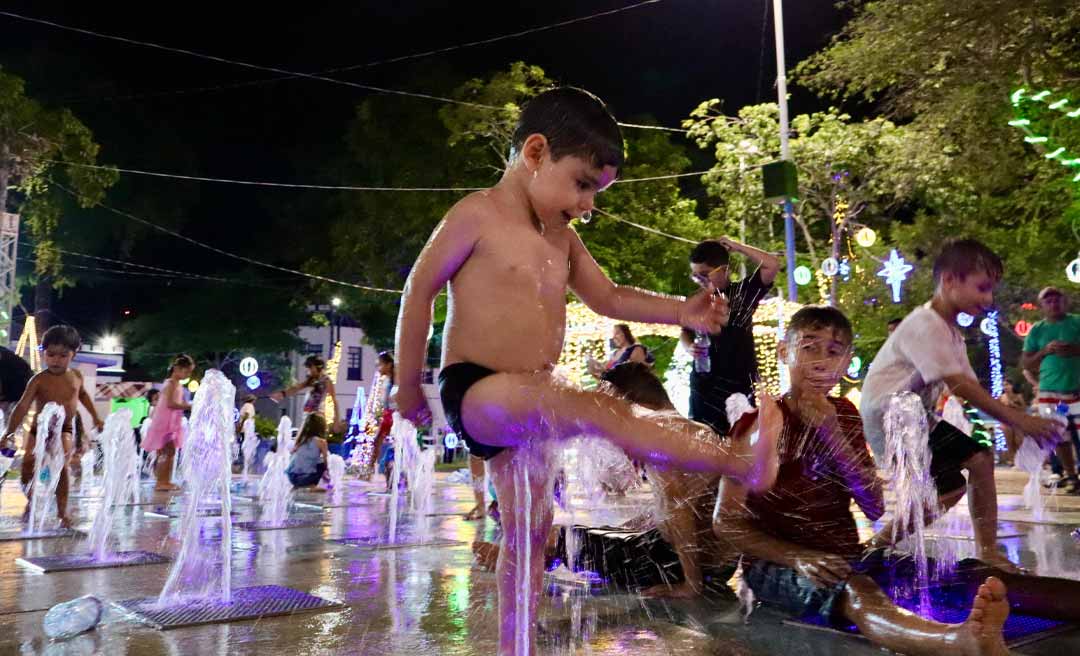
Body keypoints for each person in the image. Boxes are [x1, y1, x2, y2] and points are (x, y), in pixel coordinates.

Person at [393, 87, 780, 655]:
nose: (588, 205)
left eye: (596, 192)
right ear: (535, 152)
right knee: (598, 405)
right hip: (476, 388)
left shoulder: (563, 240)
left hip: (532, 399)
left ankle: (514, 646)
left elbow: (610, 297)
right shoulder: (477, 214)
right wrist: (408, 384)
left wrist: (682, 309)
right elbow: (418, 290)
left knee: (528, 535)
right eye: (582, 184)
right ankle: (737, 459)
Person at [717, 305, 1080, 656]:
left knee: (970, 576)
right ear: (784, 352)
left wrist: (833, 435)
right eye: (808, 347)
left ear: (845, 364)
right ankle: (958, 643)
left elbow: (873, 505)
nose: (819, 361)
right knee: (855, 591)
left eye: (833, 351)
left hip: (849, 556)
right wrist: (796, 556)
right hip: (777, 567)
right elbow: (726, 521)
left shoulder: (843, 415)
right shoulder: (758, 423)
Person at [860, 239, 1062, 570]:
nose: (988, 299)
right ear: (950, 280)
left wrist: (1019, 420)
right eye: (982, 288)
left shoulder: (949, 332)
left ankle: (988, 552)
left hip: (916, 418)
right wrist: (1021, 421)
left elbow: (970, 386)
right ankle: (873, 546)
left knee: (980, 461)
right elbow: (960, 386)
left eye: (991, 290)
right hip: (890, 419)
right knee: (948, 490)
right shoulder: (924, 324)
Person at [3, 325, 105, 527]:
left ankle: (62, 512)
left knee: (62, 468)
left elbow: (83, 395)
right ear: (44, 354)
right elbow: (23, 406)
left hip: (64, 429)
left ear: (73, 354)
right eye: (51, 355)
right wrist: (9, 432)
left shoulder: (76, 376)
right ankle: (31, 502)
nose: (56, 360)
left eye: (63, 355)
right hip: (37, 430)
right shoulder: (38, 380)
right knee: (28, 466)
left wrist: (95, 417)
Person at [683, 236, 780, 435]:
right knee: (702, 448)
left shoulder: (742, 293)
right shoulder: (696, 300)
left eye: (704, 274)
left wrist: (736, 246)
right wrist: (688, 346)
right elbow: (684, 332)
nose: (699, 281)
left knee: (739, 444)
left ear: (725, 269)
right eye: (695, 276)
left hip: (738, 387)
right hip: (702, 387)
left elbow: (772, 264)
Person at [1022, 286, 1080, 493]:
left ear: (1065, 302)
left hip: (1077, 390)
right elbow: (1026, 363)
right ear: (1042, 306)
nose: (1054, 304)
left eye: (1057, 299)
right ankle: (1072, 477)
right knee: (1059, 437)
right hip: (1050, 393)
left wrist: (1075, 349)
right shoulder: (1037, 330)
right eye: (1049, 301)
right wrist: (1045, 351)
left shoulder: (1077, 322)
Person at [143, 354, 195, 491]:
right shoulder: (170, 383)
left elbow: (181, 402)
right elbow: (171, 404)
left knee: (170, 452)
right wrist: (189, 407)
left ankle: (165, 481)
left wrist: (192, 404)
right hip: (164, 422)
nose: (188, 375)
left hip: (171, 422)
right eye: (186, 371)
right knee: (167, 452)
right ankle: (161, 482)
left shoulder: (176, 384)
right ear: (177, 368)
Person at [271, 355, 343, 453]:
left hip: (317, 417)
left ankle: (321, 462)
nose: (309, 371)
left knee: (304, 443)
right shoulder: (312, 380)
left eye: (311, 367)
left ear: (318, 367)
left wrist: (336, 421)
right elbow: (297, 388)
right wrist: (282, 394)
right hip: (308, 416)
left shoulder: (326, 381)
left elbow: (334, 400)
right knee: (299, 444)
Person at [586, 323, 652, 377]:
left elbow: (636, 370)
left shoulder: (636, 349)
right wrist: (596, 366)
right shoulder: (615, 353)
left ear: (625, 334)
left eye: (617, 333)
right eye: (613, 334)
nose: (614, 337)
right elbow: (607, 369)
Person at [286, 415, 329, 491]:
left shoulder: (300, 439)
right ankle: (312, 486)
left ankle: (297, 486)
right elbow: (327, 463)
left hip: (292, 477)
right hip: (306, 478)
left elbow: (292, 453)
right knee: (323, 462)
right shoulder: (321, 442)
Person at [997, 381, 1026, 466]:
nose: (1006, 387)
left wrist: (1013, 405)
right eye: (1004, 385)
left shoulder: (1018, 396)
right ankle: (1013, 460)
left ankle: (1020, 459)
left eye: (1008, 384)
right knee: (1009, 440)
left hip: (1017, 421)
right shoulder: (1001, 397)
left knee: (1019, 440)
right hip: (1006, 421)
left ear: (1012, 386)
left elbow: (1023, 408)